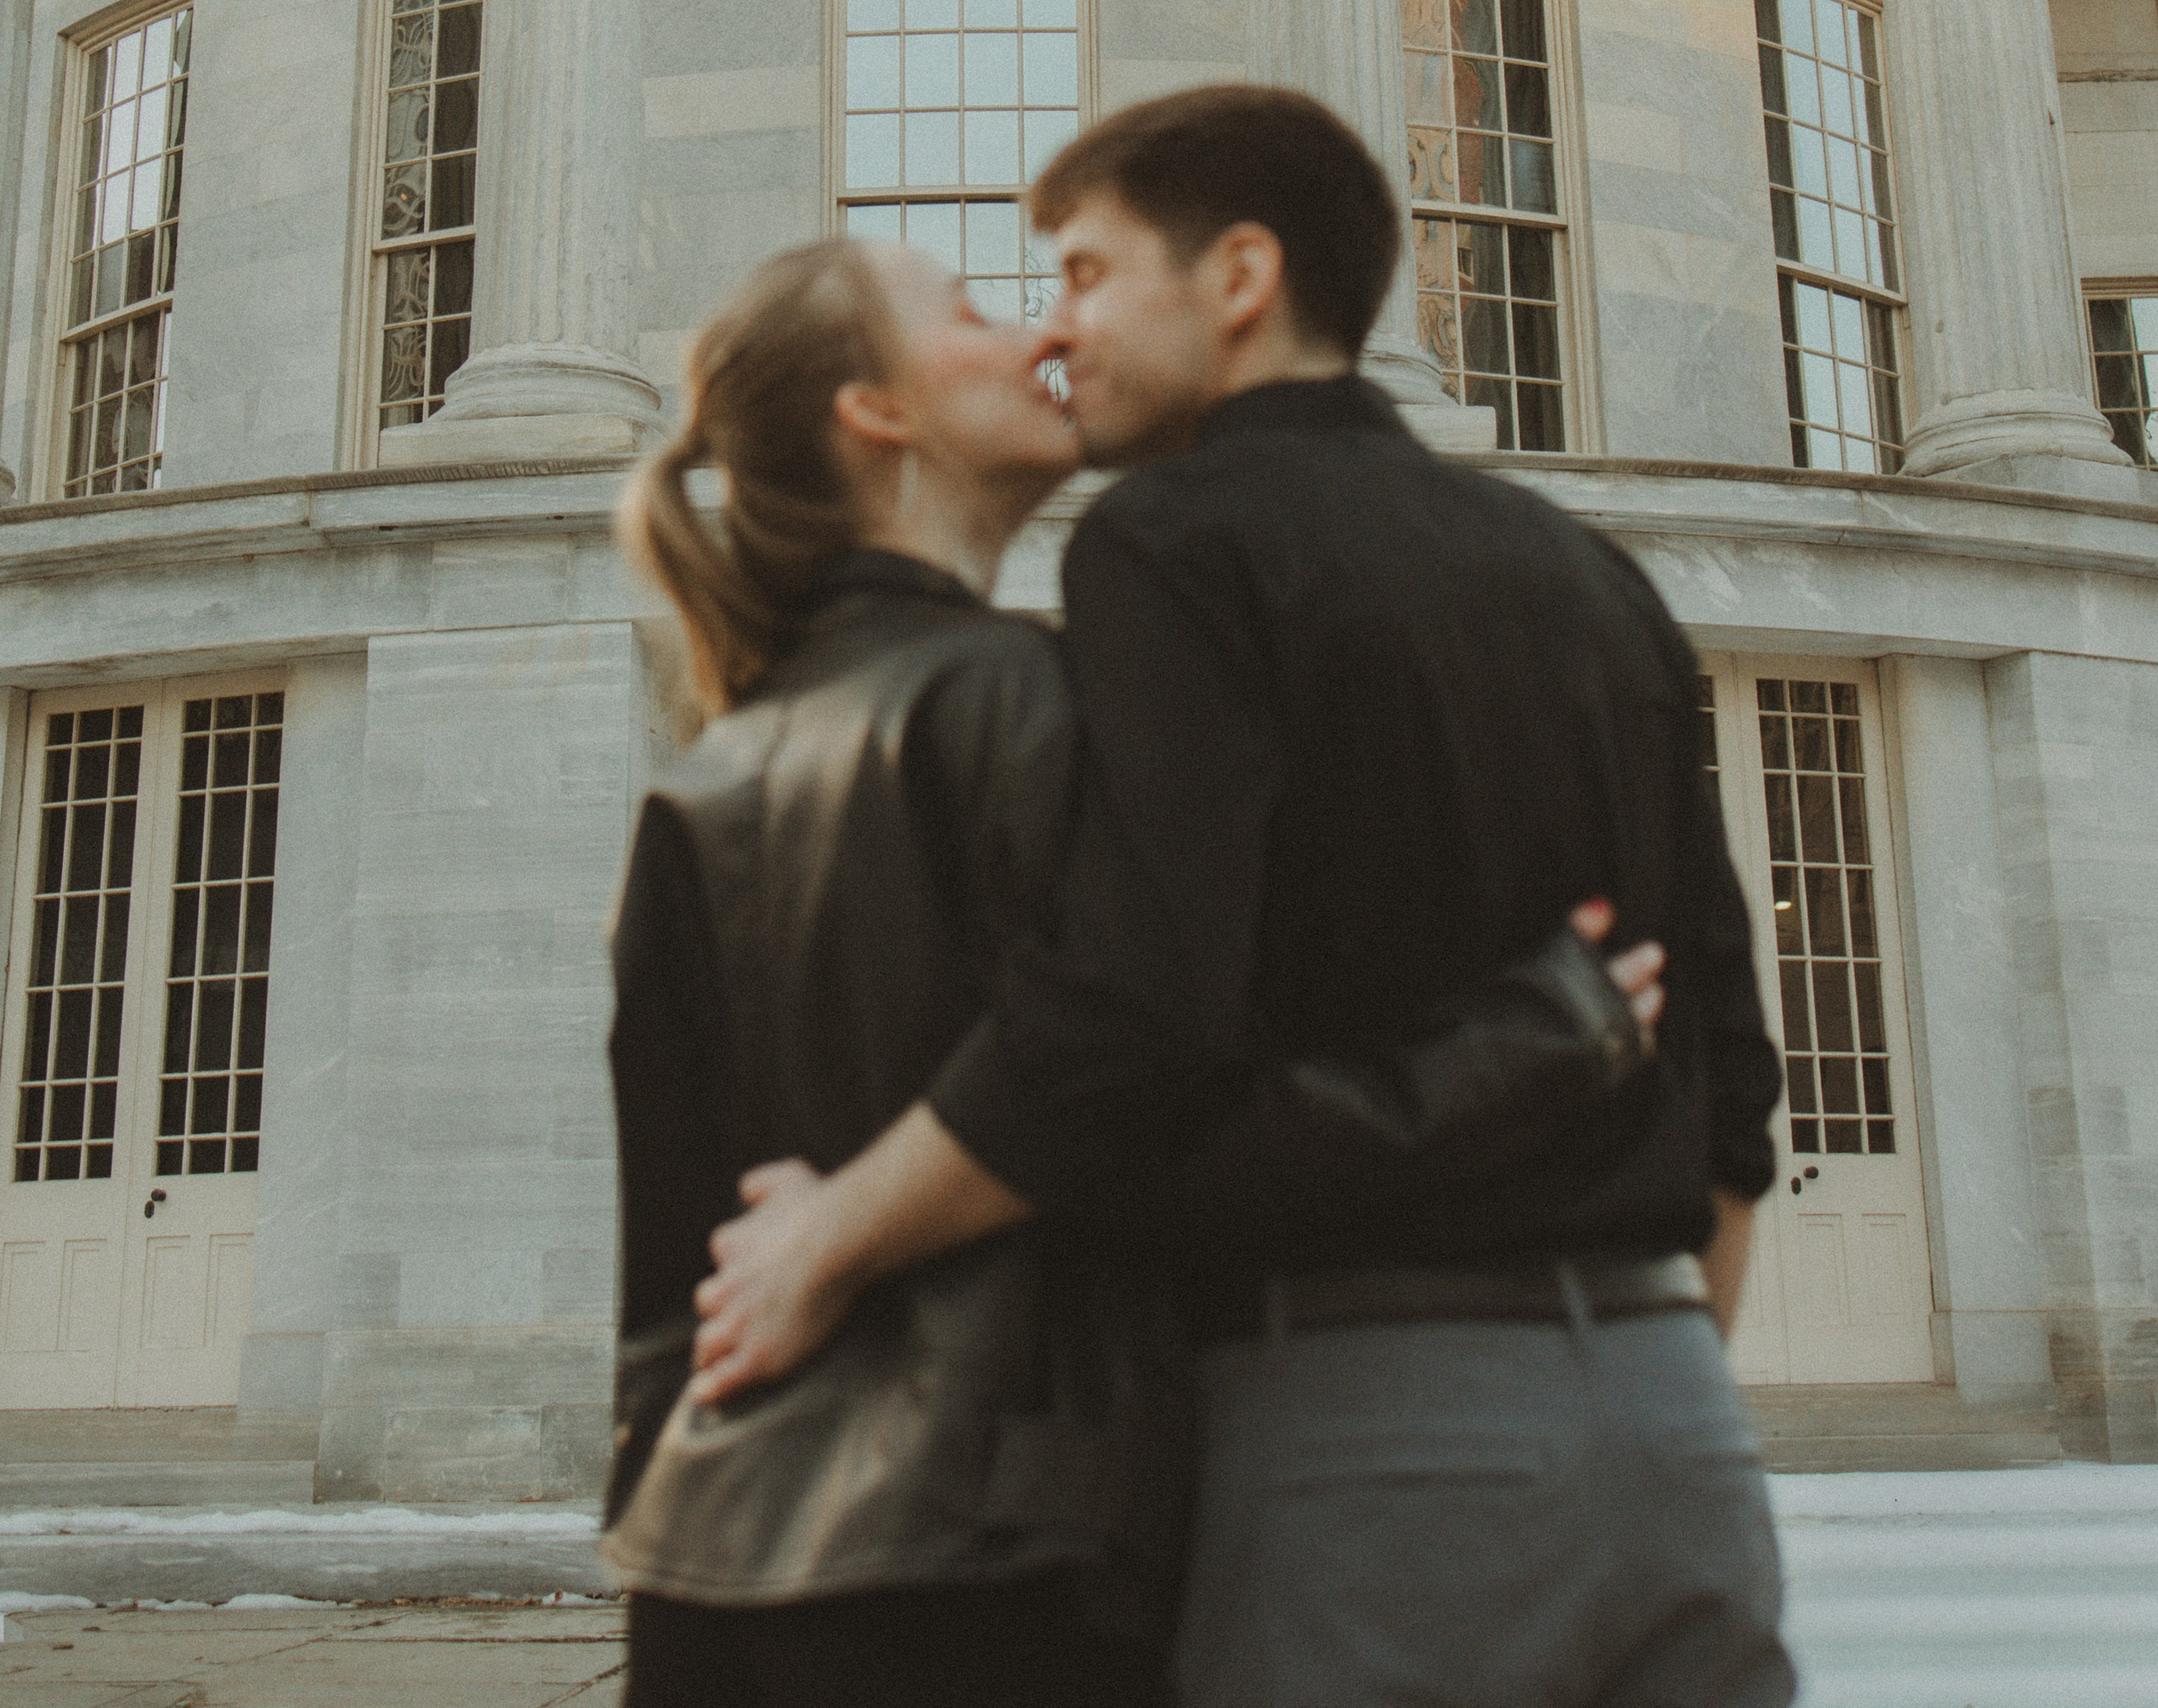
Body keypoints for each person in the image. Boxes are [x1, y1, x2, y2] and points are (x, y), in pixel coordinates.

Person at [689, 87, 1794, 1708]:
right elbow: (1728, 1070)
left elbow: (1126, 1012)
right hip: (1677, 1433)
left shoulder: (1173, 542)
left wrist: (830, 1239)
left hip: (1374, 1443)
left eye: (1080, 273)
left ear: (1239, 277)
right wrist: (1643, 1371)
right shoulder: (1592, 576)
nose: (1058, 331)